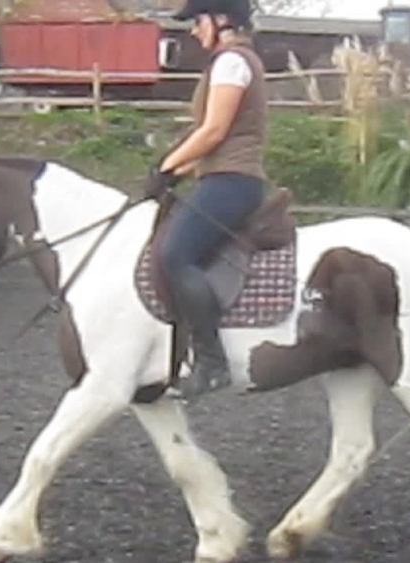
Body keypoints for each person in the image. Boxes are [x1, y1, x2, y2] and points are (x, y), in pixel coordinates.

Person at [144, 0, 270, 401]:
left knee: (175, 254)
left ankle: (212, 363)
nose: (194, 30)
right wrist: (174, 173)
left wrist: (165, 165)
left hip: (233, 180)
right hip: (221, 175)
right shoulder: (229, 61)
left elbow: (214, 132)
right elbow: (212, 143)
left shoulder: (231, 62)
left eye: (198, 21)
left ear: (221, 20)